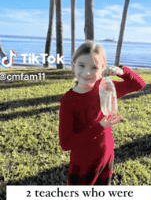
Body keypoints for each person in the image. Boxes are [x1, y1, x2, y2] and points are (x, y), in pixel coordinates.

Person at [58, 41, 146, 186]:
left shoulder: (106, 88)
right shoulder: (69, 101)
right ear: (73, 65)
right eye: (81, 65)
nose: (87, 72)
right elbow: (66, 143)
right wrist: (101, 126)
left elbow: (138, 84)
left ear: (103, 68)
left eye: (94, 67)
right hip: (83, 163)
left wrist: (122, 71)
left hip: (107, 155)